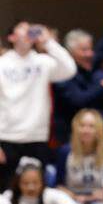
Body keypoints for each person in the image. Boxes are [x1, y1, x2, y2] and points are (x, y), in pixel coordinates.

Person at [0, 22, 78, 191]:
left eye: (30, 28)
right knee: (6, 190)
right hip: (7, 138)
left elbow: (69, 69)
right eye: (22, 28)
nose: (28, 31)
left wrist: (48, 42)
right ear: (11, 37)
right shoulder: (2, 64)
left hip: (37, 137)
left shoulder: (43, 62)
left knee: (35, 190)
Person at [54, 29, 103, 143]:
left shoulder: (100, 75)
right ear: (70, 54)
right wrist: (101, 89)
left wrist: (90, 117)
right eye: (84, 50)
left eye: (90, 49)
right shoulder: (62, 75)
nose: (90, 54)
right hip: (70, 140)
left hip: (100, 141)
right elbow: (77, 102)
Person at [55, 110, 103, 204]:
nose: (86, 130)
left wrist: (102, 192)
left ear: (99, 129)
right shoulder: (65, 152)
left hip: (97, 198)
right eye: (82, 125)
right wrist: (75, 197)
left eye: (91, 126)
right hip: (71, 197)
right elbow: (58, 185)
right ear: (75, 128)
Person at [2, 158, 78, 204]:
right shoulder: (8, 196)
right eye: (25, 183)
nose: (31, 187)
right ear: (18, 183)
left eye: (35, 182)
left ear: (42, 182)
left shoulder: (51, 195)